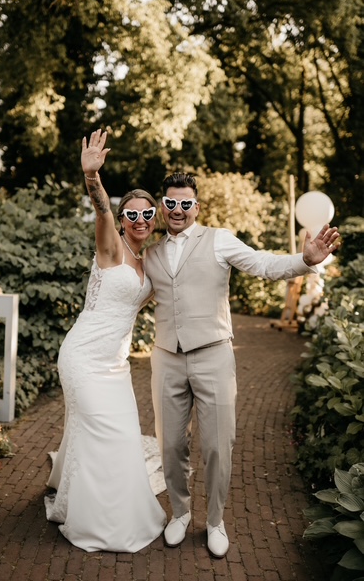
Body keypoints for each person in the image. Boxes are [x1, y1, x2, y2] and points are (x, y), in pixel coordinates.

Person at [144, 172, 340, 558]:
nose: (178, 210)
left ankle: (215, 521)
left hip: (214, 354)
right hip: (166, 356)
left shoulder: (219, 239)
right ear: (163, 206)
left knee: (219, 444)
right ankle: (180, 513)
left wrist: (305, 260)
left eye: (186, 203)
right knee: (170, 444)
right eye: (171, 203)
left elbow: (263, 264)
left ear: (197, 207)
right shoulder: (150, 253)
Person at [45, 129, 166, 552]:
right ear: (123, 218)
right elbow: (101, 212)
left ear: (155, 218)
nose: (139, 220)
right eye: (131, 214)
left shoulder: (151, 263)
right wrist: (93, 178)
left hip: (116, 365)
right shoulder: (111, 245)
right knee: (101, 432)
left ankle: (102, 505)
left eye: (146, 213)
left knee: (124, 435)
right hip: (82, 357)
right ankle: (95, 520)